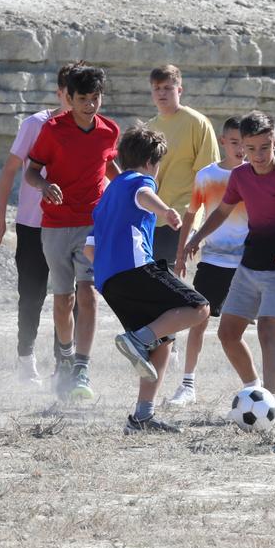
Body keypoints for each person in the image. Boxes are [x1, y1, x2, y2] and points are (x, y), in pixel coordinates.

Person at [185, 111, 275, 412]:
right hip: (249, 266)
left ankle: (269, 403)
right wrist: (197, 238)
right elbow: (222, 212)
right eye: (251, 148)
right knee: (227, 333)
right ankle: (254, 389)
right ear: (242, 147)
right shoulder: (240, 176)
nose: (258, 155)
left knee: (268, 330)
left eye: (265, 147)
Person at [85, 124, 210, 433]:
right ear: (153, 162)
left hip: (109, 281)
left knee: (163, 340)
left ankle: (142, 416)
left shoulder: (108, 193)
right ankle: (135, 341)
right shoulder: (138, 180)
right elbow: (143, 193)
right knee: (199, 308)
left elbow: (89, 249)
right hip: (135, 268)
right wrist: (167, 211)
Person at [25, 65, 120, 402]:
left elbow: (108, 165)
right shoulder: (52, 130)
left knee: (89, 293)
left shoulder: (109, 131)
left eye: (95, 98)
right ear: (70, 98)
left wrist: (124, 189)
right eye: (83, 99)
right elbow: (31, 171)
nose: (90, 105)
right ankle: (64, 357)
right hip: (55, 225)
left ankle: (82, 365)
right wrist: (45, 185)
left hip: (93, 223)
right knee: (63, 299)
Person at [0, 62, 80, 386]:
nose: (80, 103)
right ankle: (26, 361)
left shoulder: (87, 129)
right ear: (61, 93)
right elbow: (12, 169)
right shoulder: (35, 124)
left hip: (73, 226)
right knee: (32, 295)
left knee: (71, 297)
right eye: (73, 95)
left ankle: (62, 365)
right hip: (32, 225)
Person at [147, 65, 219, 266]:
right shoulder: (149, 128)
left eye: (168, 88)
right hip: (153, 215)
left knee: (171, 274)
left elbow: (208, 175)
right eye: (157, 88)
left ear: (179, 90)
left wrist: (200, 219)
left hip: (182, 215)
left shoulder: (197, 123)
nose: (162, 93)